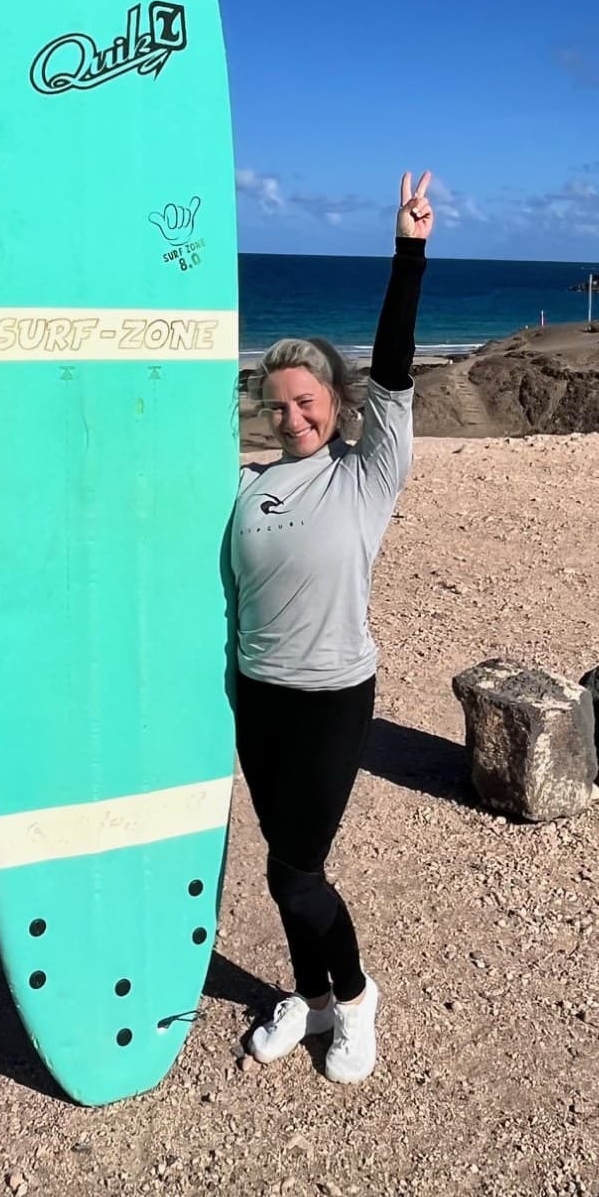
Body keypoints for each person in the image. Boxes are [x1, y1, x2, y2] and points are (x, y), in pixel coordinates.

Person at [230, 170, 433, 1083]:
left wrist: (409, 249)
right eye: (279, 405)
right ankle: (306, 1001)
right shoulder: (249, 488)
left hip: (330, 697)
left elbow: (395, 365)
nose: (294, 416)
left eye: (307, 400)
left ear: (337, 401)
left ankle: (352, 1000)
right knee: (282, 862)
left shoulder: (366, 474)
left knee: (295, 873)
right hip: (257, 697)